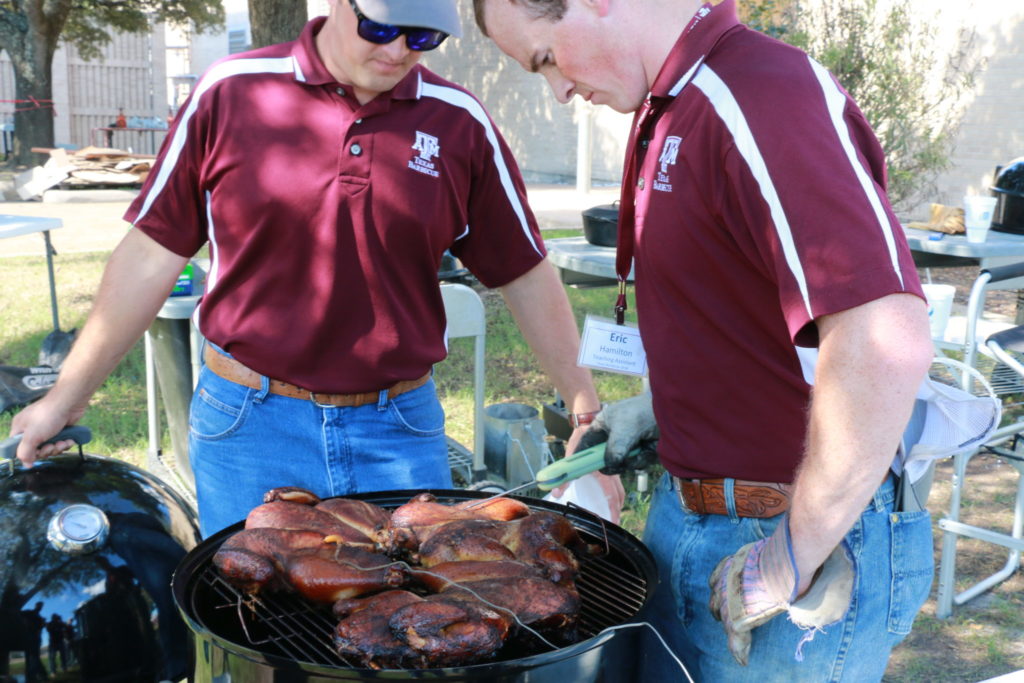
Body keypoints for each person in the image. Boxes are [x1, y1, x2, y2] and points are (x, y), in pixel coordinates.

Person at [11, 0, 618, 537]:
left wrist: (584, 406)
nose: (399, 51)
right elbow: (151, 252)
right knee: (254, 625)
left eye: (424, 38)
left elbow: (524, 271)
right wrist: (69, 394)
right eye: (382, 28)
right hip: (250, 421)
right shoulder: (231, 91)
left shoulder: (457, 121)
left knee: (404, 631)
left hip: (398, 428)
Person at [474, 0, 934, 680]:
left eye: (546, 59)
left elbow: (884, 335)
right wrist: (658, 409)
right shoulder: (668, 106)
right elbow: (739, 318)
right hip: (691, 521)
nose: (559, 91)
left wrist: (789, 555)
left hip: (790, 541)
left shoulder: (759, 94)